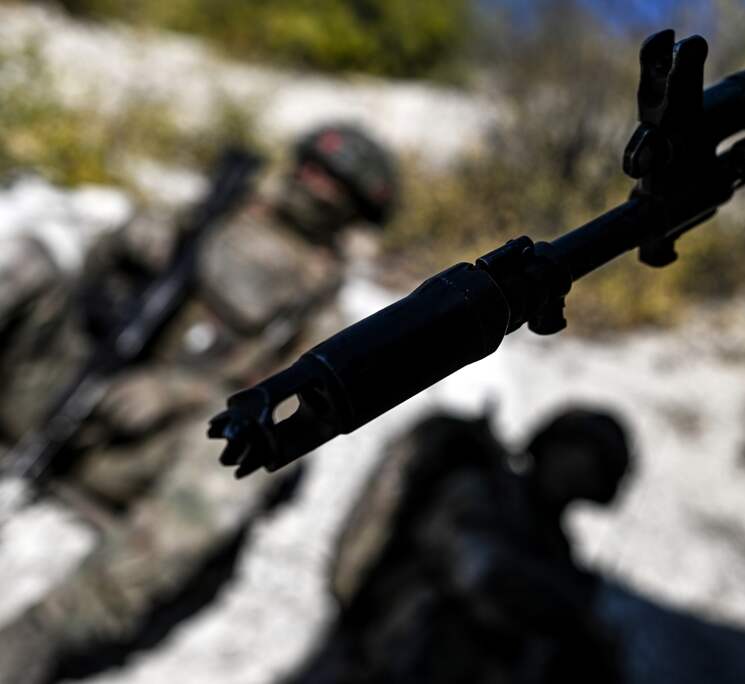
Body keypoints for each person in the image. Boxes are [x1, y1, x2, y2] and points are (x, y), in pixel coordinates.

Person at [0, 123, 398, 682]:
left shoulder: (321, 311)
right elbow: (88, 281)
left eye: (332, 184)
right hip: (54, 394)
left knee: (242, 460)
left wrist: (179, 393)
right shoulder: (208, 214)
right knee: (28, 262)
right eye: (311, 168)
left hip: (134, 454)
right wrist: (125, 244)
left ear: (353, 209)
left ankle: (40, 635)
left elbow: (288, 411)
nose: (312, 185)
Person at [294, 408, 631, 684]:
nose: (577, 475)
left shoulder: (554, 550)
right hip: (380, 662)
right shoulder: (481, 491)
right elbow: (477, 570)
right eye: (574, 457)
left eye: (594, 469)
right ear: (549, 446)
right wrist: (563, 605)